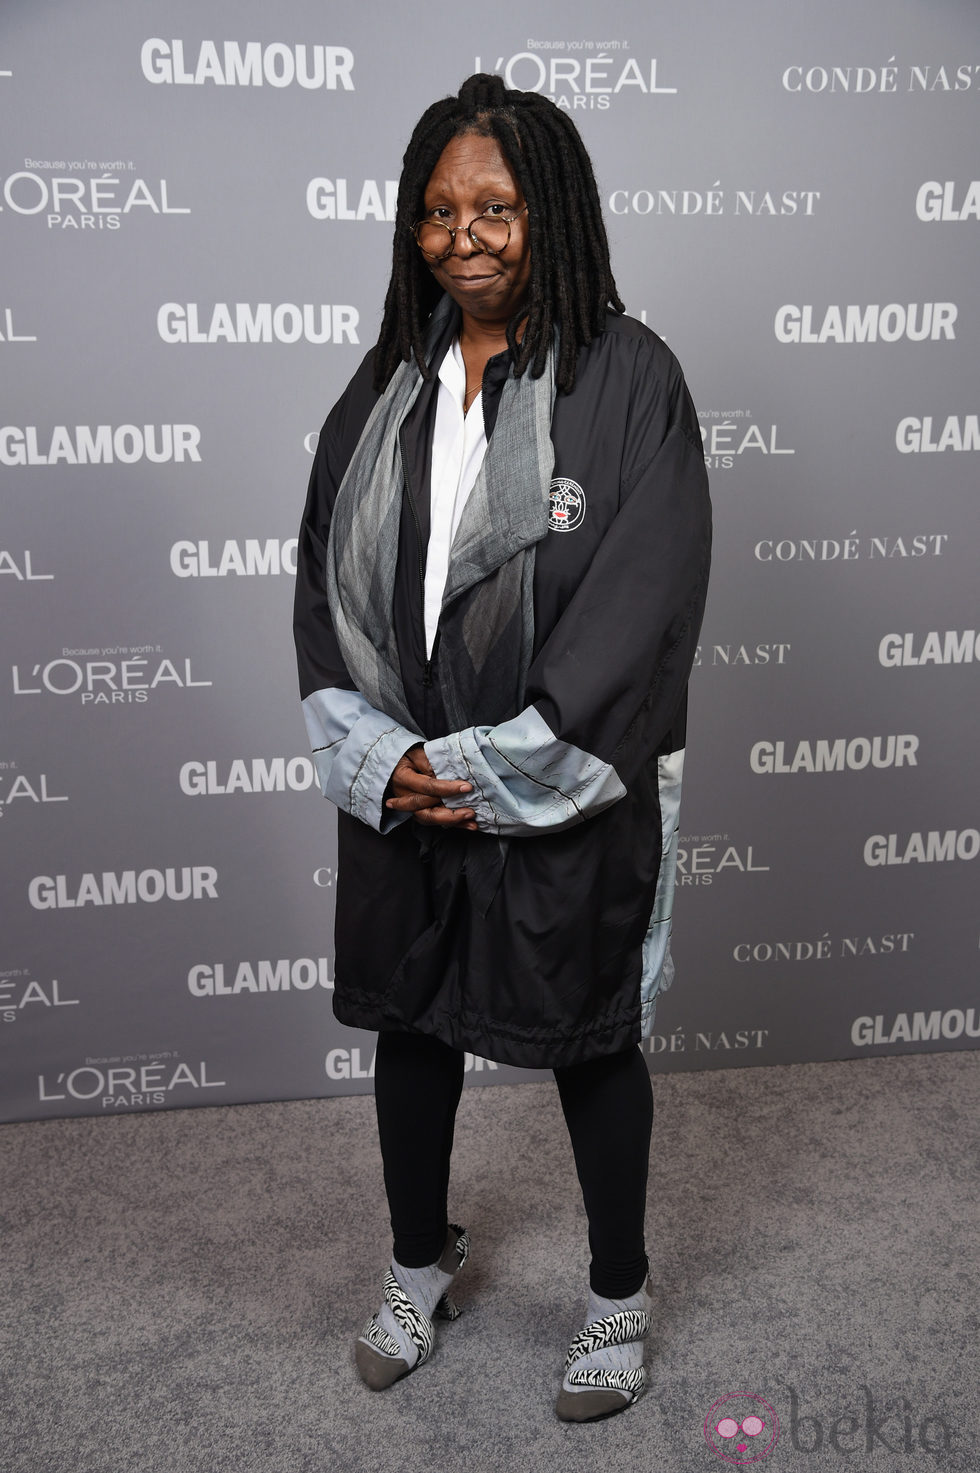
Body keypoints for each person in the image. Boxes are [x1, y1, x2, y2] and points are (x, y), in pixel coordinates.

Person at [293, 72, 711, 1422]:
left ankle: (618, 1292)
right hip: (406, 777)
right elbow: (327, 585)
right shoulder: (387, 384)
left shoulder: (629, 377)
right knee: (411, 1027)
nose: (460, 234)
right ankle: (421, 1263)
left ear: (555, 216)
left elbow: (644, 599)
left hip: (560, 777)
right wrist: (380, 757)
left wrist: (504, 765)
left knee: (589, 1036)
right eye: (435, 211)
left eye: (494, 207)